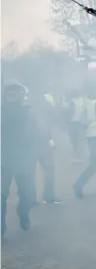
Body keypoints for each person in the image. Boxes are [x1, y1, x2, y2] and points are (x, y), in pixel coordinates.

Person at [2, 80, 42, 237]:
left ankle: (23, 213)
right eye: (9, 94)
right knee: (1, 195)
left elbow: (39, 132)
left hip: (24, 159)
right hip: (3, 160)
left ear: (21, 96)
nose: (12, 96)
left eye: (15, 94)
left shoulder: (29, 112)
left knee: (29, 196)